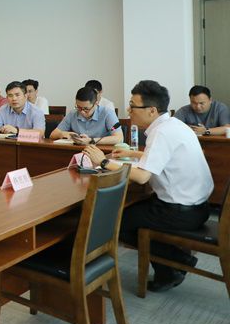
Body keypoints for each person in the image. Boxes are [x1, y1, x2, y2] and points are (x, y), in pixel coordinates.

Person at [84, 80, 213, 292]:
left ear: (152, 110)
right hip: (197, 206)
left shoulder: (161, 132)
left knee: (114, 221)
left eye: (132, 106)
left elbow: (143, 177)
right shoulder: (173, 125)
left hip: (181, 212)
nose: (129, 111)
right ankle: (174, 264)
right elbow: (164, 157)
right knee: (130, 213)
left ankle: (175, 264)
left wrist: (103, 161)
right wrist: (133, 153)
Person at [50, 87, 122, 144]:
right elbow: (53, 134)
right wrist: (63, 134)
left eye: (86, 109)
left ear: (96, 103)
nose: (82, 112)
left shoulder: (108, 113)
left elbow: (119, 138)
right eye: (78, 107)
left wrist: (91, 140)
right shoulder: (73, 113)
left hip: (102, 152)